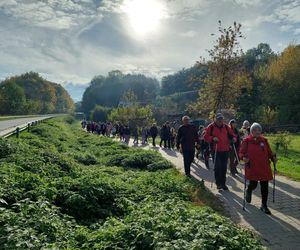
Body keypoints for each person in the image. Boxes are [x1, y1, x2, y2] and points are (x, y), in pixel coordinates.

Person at [239, 123, 276, 215]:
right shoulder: (246, 141)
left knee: (265, 187)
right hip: (253, 167)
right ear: (251, 131)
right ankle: (249, 190)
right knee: (253, 184)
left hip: (264, 167)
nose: (257, 132)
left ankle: (264, 205)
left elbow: (270, 152)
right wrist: (243, 158)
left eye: (259, 130)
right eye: (255, 130)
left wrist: (273, 157)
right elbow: (241, 153)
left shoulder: (264, 140)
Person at [204, 113, 236, 190]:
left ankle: (223, 183)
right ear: (215, 119)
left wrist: (234, 139)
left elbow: (233, 134)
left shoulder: (226, 127)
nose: (220, 121)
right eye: (218, 119)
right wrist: (212, 138)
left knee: (224, 167)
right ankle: (218, 183)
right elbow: (205, 137)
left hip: (225, 149)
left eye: (221, 119)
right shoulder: (211, 127)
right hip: (215, 149)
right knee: (218, 167)